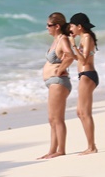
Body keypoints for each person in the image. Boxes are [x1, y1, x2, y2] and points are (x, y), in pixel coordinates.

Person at [39, 12, 74, 159]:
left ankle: (61, 150)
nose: (47, 27)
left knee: (57, 118)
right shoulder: (56, 40)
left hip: (58, 83)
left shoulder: (63, 39)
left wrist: (59, 70)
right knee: (51, 118)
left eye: (49, 25)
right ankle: (52, 150)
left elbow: (70, 55)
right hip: (53, 83)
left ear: (57, 26)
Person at [68, 12, 99, 154]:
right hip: (84, 75)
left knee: (85, 113)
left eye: (72, 25)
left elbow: (85, 60)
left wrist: (73, 45)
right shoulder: (83, 38)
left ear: (79, 26)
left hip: (88, 75)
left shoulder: (86, 38)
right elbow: (79, 59)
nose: (71, 28)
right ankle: (90, 145)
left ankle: (92, 147)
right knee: (80, 112)